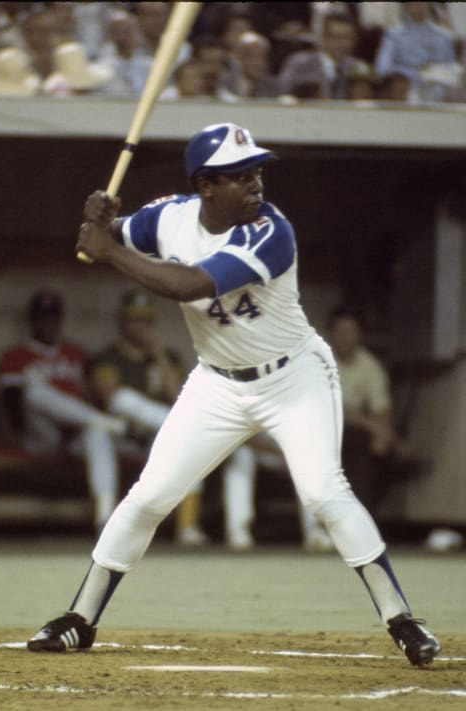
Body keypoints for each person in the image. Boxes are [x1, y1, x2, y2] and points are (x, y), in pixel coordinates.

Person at [27, 122, 440, 667]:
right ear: (205, 186)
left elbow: (184, 284)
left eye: (257, 172)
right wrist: (99, 221)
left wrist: (109, 252)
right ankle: (78, 619)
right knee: (150, 496)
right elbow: (116, 233)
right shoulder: (169, 217)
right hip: (217, 382)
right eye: (239, 177)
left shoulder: (271, 232)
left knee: (322, 491)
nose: (255, 185)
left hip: (295, 378)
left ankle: (402, 621)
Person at [0, 289, 125, 532]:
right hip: (39, 434)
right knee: (33, 390)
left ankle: (105, 517)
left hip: (74, 433)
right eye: (42, 317)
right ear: (32, 320)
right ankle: (104, 421)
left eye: (52, 317)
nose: (48, 322)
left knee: (97, 432)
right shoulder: (15, 356)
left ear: (60, 319)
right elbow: (9, 402)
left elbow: (92, 393)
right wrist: (9, 435)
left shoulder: (76, 354)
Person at [89, 287, 208, 547]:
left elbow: (179, 399)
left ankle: (188, 526)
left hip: (158, 438)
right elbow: (108, 397)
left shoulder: (168, 356)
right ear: (122, 321)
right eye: (134, 319)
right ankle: (105, 520)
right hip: (122, 435)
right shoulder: (109, 356)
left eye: (146, 320)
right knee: (99, 429)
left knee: (188, 441)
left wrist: (159, 355)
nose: (141, 326)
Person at [326, 306, 416, 520]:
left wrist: (382, 434)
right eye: (340, 332)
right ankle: (352, 520)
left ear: (360, 335)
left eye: (351, 331)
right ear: (330, 335)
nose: (345, 338)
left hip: (354, 434)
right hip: (321, 429)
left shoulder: (369, 365)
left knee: (372, 448)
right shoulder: (318, 360)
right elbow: (333, 409)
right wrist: (374, 427)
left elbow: (382, 409)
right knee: (358, 439)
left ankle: (361, 520)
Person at [374, 2, 459, 102]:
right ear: (405, 6)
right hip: (404, 90)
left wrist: (431, 72)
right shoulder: (394, 35)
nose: (417, 6)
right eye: (412, 3)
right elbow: (383, 68)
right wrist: (406, 74)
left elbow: (452, 71)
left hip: (435, 89)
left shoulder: (443, 37)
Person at [278, 11, 370, 100]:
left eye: (347, 38)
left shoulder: (360, 69)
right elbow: (282, 96)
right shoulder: (299, 64)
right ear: (322, 38)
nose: (342, 44)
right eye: (335, 37)